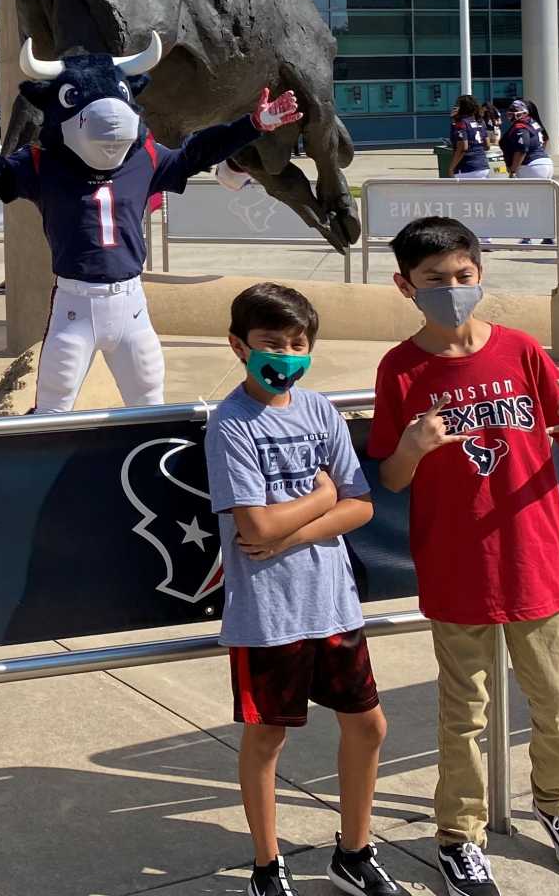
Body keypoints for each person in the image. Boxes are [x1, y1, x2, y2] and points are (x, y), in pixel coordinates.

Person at [368, 217, 559, 896]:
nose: (451, 289)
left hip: (535, 557)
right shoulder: (401, 369)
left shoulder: (522, 351)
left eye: (462, 276)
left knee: (556, 703)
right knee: (464, 715)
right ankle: (459, 836)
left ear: (480, 273)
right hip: (458, 566)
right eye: (433, 281)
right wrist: (413, 449)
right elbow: (389, 476)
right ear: (405, 286)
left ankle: (557, 805)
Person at [0, 40, 304, 412]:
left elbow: (196, 154)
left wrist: (253, 124)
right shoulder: (43, 163)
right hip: (75, 303)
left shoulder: (144, 157)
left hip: (131, 303)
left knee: (150, 403)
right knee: (55, 405)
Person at [207, 283, 398, 896]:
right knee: (267, 736)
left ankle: (355, 850)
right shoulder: (230, 425)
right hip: (268, 612)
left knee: (368, 726)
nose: (286, 356)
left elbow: (361, 506)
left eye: (298, 344)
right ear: (239, 347)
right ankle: (267, 864)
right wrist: (320, 499)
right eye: (271, 344)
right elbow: (253, 525)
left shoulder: (320, 411)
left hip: (332, 601)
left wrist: (294, 529)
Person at [502, 99, 553, 180]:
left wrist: (513, 171)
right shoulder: (533, 122)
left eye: (514, 110)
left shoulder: (520, 126)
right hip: (545, 162)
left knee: (525, 192)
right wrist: (539, 155)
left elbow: (522, 149)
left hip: (531, 166)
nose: (510, 112)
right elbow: (545, 138)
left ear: (525, 112)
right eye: (510, 109)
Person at [448, 95, 490, 180]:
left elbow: (463, 147)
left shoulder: (461, 123)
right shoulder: (480, 121)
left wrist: (451, 168)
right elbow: (487, 145)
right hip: (483, 166)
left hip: (467, 168)